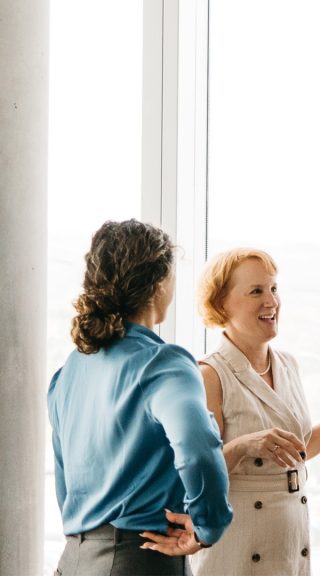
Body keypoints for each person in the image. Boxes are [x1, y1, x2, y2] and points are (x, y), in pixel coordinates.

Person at [189, 248, 320, 576]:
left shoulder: (288, 365)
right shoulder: (210, 375)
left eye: (273, 288)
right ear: (221, 303)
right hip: (235, 548)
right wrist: (243, 446)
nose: (271, 301)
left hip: (289, 542)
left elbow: (294, 451)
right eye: (256, 291)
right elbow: (198, 474)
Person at [48, 219, 233, 575]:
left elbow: (65, 486)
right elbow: (197, 448)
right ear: (159, 283)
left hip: (73, 561)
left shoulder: (68, 372)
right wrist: (208, 526)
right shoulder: (164, 364)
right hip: (140, 560)